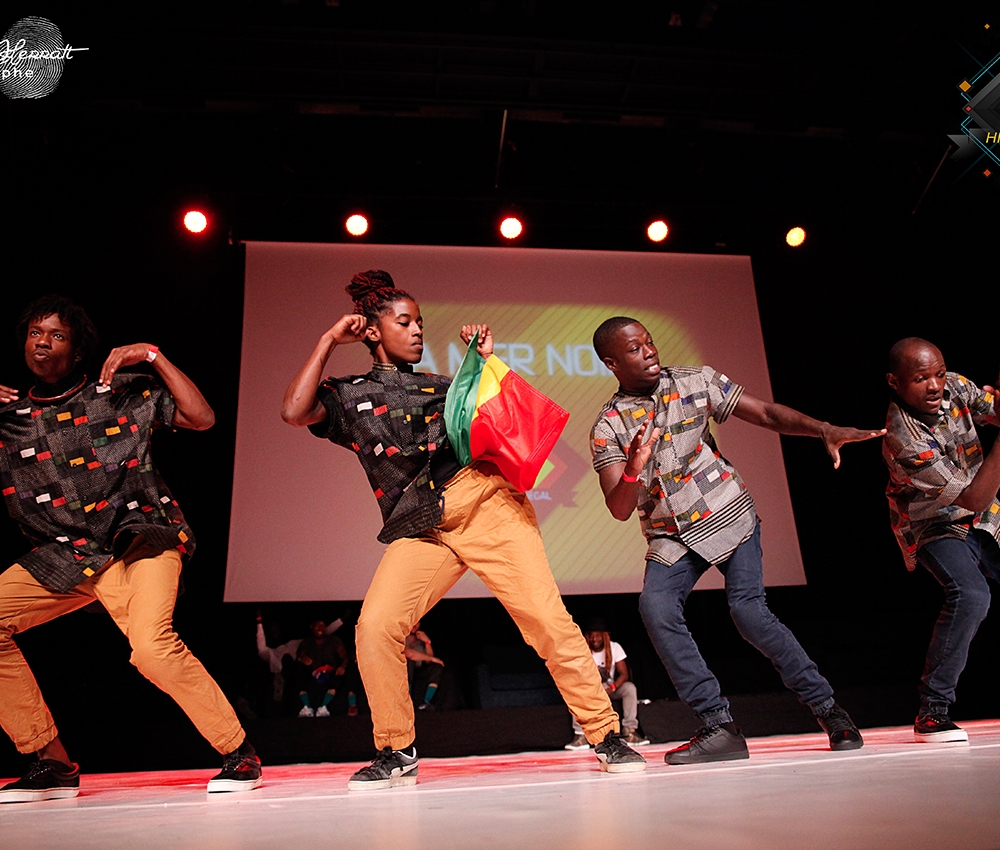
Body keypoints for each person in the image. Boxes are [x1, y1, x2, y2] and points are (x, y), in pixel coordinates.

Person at [282, 271, 645, 789]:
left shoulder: (445, 387)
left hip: (486, 503)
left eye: (419, 322)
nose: (417, 331)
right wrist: (327, 340)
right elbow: (293, 411)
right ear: (372, 331)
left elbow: (515, 421)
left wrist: (488, 360)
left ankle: (606, 734)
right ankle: (396, 750)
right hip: (421, 524)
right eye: (404, 322)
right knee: (376, 627)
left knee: (546, 621)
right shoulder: (347, 396)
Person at [0, 296, 262, 802]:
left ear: (78, 351)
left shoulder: (119, 394)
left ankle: (238, 752)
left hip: (140, 538)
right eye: (35, 333)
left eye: (56, 334)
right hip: (65, 555)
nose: (43, 342)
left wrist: (153, 356)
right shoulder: (8, 417)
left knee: (151, 649)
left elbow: (202, 417)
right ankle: (51, 762)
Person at [589, 316, 883, 765]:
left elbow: (764, 413)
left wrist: (823, 428)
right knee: (656, 607)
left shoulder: (696, 381)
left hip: (726, 512)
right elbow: (619, 507)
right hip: (672, 534)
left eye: (649, 342)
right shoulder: (608, 425)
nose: (649, 351)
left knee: (749, 612)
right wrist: (633, 467)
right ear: (612, 363)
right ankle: (719, 725)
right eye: (634, 349)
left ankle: (829, 710)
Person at [883, 337, 1000, 743]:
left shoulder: (954, 385)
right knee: (971, 595)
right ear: (895, 382)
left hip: (986, 516)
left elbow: (993, 411)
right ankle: (932, 712)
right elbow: (972, 497)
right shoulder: (903, 438)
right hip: (934, 524)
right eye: (921, 379)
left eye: (938, 373)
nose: (934, 385)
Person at [565, 621, 648, 749]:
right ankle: (581, 736)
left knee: (629, 688)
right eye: (591, 636)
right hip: (591, 689)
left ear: (604, 636)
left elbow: (624, 674)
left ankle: (630, 731)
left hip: (610, 687)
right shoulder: (583, 649)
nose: (594, 639)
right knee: (577, 692)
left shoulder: (615, 647)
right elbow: (578, 675)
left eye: (598, 635)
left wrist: (612, 687)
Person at [294, 619, 349, 717]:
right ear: (312, 627)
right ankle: (307, 707)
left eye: (323, 625)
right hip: (313, 673)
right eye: (317, 625)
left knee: (340, 675)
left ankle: (324, 706)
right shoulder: (307, 642)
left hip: (330, 673)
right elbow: (300, 653)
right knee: (298, 672)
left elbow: (344, 657)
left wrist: (342, 666)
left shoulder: (334, 641)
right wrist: (303, 657)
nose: (320, 628)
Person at [405, 621, 444, 711]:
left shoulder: (420, 641)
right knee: (409, 663)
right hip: (404, 669)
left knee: (436, 666)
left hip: (419, 669)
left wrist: (427, 642)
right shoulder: (402, 638)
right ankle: (407, 701)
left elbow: (429, 660)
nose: (415, 625)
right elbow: (409, 654)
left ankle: (427, 701)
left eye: (417, 622)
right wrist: (432, 658)